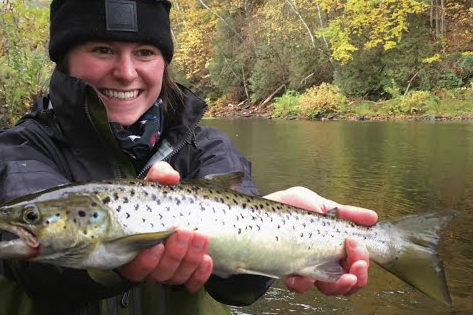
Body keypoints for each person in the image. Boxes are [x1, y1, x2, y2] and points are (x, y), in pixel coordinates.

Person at [0, 0, 378, 314]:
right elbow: (33, 271)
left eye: (145, 52)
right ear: (65, 60)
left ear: (163, 64)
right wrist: (118, 265)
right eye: (103, 50)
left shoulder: (209, 147)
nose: (126, 71)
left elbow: (240, 288)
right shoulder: (18, 149)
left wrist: (291, 244)